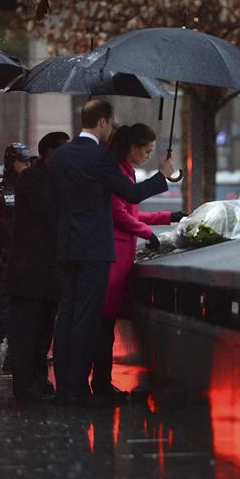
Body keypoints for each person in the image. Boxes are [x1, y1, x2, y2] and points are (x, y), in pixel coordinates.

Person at [49, 99, 176, 406]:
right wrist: (163, 176)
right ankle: (78, 390)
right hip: (94, 249)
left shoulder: (61, 155)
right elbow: (130, 193)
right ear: (103, 121)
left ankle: (64, 387)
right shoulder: (100, 157)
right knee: (87, 319)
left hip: (66, 246)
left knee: (65, 317)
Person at [92, 124, 187, 404]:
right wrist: (147, 233)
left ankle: (101, 383)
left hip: (120, 257)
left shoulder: (126, 171)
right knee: (103, 327)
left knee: (105, 327)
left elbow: (133, 213)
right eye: (146, 150)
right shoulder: (116, 173)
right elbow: (119, 214)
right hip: (112, 258)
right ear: (132, 148)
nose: (147, 155)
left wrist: (168, 216)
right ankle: (100, 385)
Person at [6, 132, 71, 404]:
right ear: (48, 152)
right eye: (62, 151)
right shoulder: (32, 178)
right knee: (26, 333)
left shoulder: (55, 178)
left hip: (48, 272)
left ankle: (40, 381)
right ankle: (25, 388)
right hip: (28, 272)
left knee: (43, 332)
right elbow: (49, 211)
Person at [0, 142, 35, 375]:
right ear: (10, 162)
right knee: (0, 310)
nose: (27, 165)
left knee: (22, 311)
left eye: (29, 161)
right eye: (23, 161)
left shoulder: (32, 188)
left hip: (25, 259)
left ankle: (13, 356)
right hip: (3, 258)